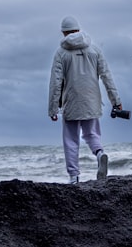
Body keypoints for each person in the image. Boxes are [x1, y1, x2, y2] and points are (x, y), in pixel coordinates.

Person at [48, 16, 122, 183]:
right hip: (92, 101)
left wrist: (53, 108)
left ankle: (74, 177)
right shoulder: (94, 50)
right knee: (91, 134)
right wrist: (115, 100)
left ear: (64, 32)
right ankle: (100, 154)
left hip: (71, 102)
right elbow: (107, 76)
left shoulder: (61, 53)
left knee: (71, 139)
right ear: (78, 29)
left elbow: (56, 83)